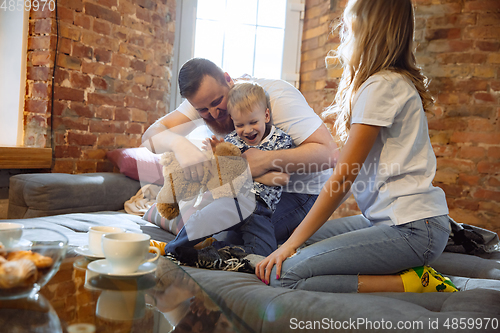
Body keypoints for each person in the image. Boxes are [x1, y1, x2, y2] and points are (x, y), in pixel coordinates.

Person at [255, 0, 458, 294]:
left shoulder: (382, 86)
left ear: (368, 24)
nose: (344, 28)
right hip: (382, 221)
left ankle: (414, 282)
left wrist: (290, 246)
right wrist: (292, 243)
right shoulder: (383, 83)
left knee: (283, 274)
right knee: (291, 247)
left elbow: (343, 177)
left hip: (413, 228)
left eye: (350, 19)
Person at [142, 58, 337, 246]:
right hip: (246, 188)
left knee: (231, 237)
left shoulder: (277, 97)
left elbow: (329, 154)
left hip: (301, 191)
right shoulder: (203, 98)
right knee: (203, 223)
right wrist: (180, 145)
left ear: (228, 79)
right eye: (203, 110)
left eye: (218, 101)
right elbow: (150, 136)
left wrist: (265, 160)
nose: (214, 114)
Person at [164, 82, 294, 257]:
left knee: (262, 253)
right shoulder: (231, 140)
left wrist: (239, 168)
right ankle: (173, 249)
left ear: (266, 115)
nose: (247, 130)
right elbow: (221, 172)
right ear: (233, 120)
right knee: (202, 219)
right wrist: (218, 156)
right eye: (240, 125)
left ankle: (213, 252)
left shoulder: (281, 140)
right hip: (232, 199)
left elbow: (282, 179)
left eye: (253, 122)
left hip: (261, 208)